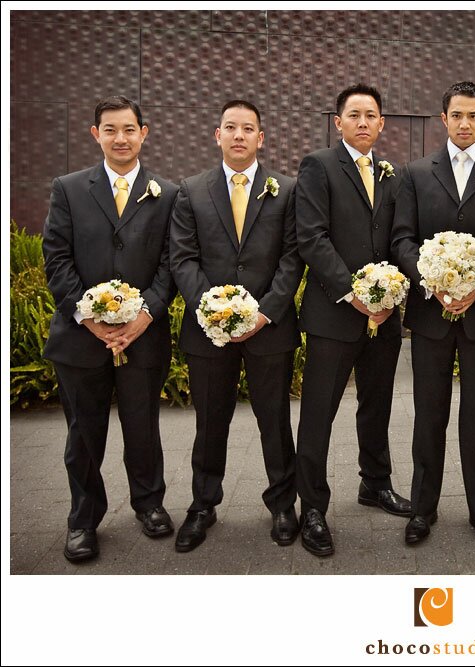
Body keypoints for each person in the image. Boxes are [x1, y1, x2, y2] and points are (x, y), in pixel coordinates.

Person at [392, 81, 475, 550]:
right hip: (432, 317)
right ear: (443, 118)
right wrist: (433, 283)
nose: (465, 123)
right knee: (428, 416)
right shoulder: (415, 173)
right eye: (456, 115)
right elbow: (403, 240)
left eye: (473, 116)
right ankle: (422, 510)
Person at [43, 95, 178, 562]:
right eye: (110, 129)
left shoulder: (169, 193)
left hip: (144, 338)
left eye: (128, 129)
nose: (120, 138)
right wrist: (91, 317)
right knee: (83, 434)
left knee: (143, 428)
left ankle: (150, 504)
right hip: (81, 339)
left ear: (145, 132)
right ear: (94, 133)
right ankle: (83, 519)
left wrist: (145, 316)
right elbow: (56, 259)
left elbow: (170, 264)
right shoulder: (69, 188)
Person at [170, 100, 304, 552]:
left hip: (270, 329)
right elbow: (182, 258)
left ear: (261, 138)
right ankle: (203, 504)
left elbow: (292, 257)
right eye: (231, 127)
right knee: (210, 421)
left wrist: (264, 312)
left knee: (275, 420)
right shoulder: (190, 190)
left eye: (249, 128)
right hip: (209, 331)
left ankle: (283, 504)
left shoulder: (285, 189)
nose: (239, 135)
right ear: (218, 134)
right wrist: (214, 311)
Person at [294, 83, 410, 558]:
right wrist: (356, 294)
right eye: (354, 114)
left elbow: (401, 237)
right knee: (319, 411)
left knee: (377, 404)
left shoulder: (393, 174)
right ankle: (313, 506)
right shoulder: (319, 167)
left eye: (372, 115)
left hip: (384, 315)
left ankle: (375, 483)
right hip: (334, 313)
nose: (363, 122)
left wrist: (391, 293)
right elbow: (312, 237)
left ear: (382, 124)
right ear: (338, 122)